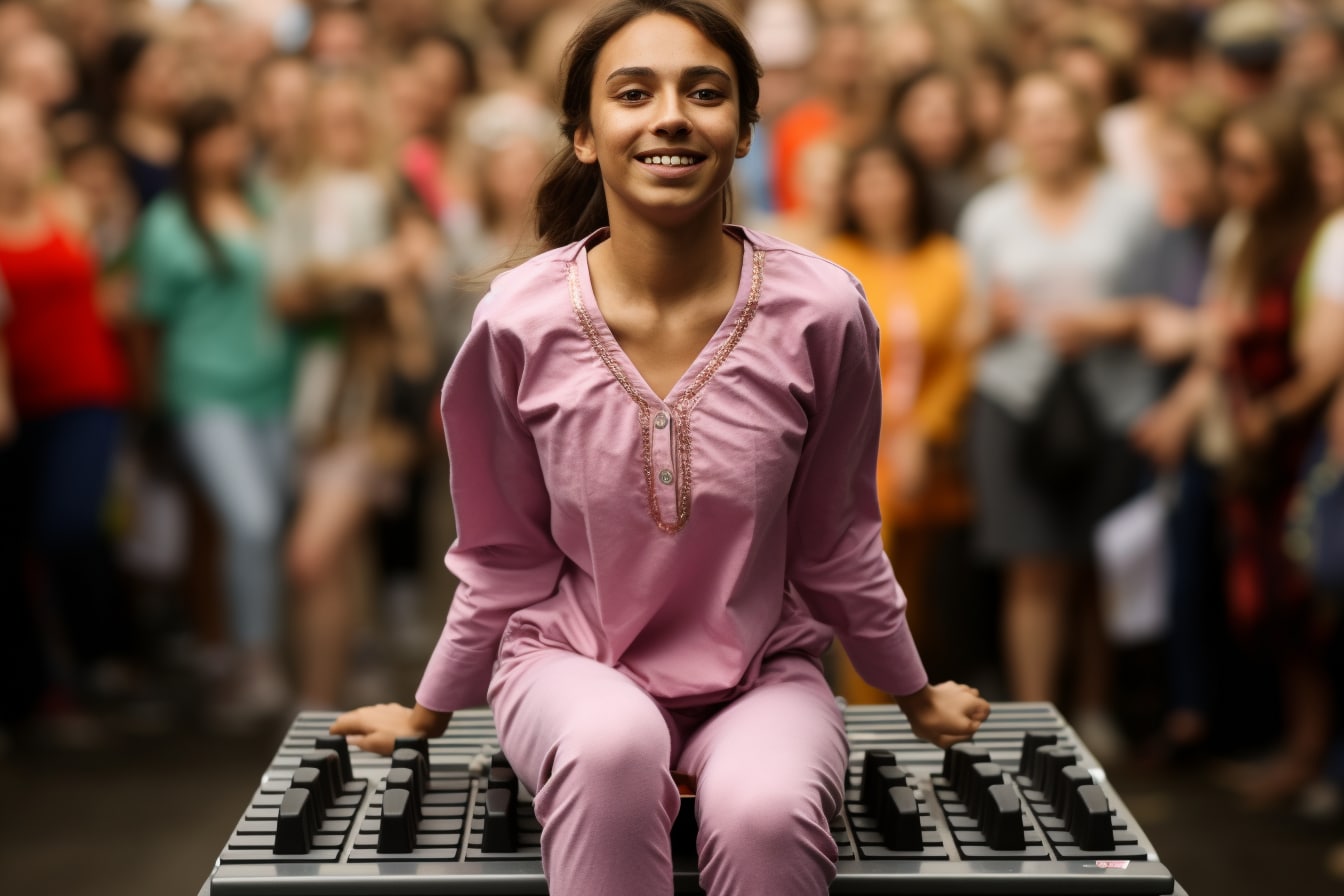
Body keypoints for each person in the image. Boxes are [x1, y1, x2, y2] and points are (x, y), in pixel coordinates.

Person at [330, 3, 989, 895]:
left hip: (762, 674)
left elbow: (837, 539)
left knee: (768, 813)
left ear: (745, 131)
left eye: (705, 92)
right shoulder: (518, 319)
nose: (671, 114)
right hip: (567, 666)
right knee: (612, 745)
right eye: (633, 92)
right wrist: (429, 709)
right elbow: (501, 554)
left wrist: (913, 696)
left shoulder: (825, 310)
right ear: (585, 135)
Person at [133, 95, 294, 727]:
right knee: (250, 520)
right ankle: (251, 659)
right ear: (192, 147)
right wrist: (151, 402)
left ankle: (246, 651)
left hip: (274, 387)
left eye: (236, 135)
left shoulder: (264, 205)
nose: (230, 148)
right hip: (203, 391)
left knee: (268, 522)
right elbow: (147, 320)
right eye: (216, 137)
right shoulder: (168, 222)